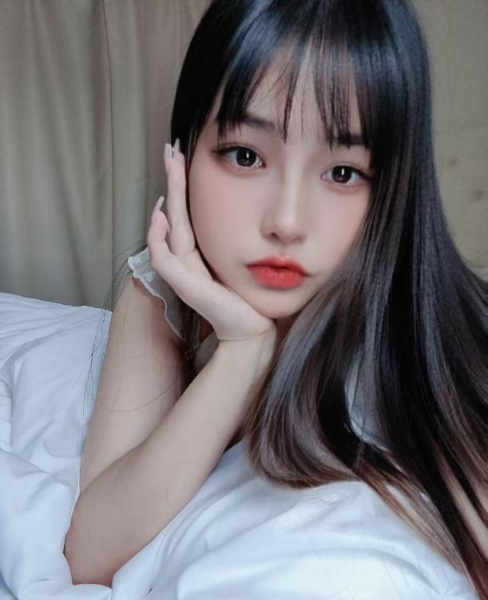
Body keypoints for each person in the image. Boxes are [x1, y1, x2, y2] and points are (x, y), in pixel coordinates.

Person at [64, 0, 488, 597]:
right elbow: (91, 555)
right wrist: (242, 352)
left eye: (342, 173)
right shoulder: (161, 292)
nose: (287, 222)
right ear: (183, 152)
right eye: (246, 156)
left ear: (394, 187)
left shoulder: (429, 325)